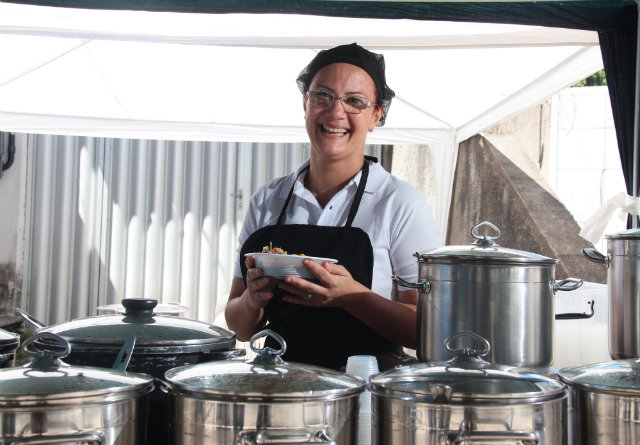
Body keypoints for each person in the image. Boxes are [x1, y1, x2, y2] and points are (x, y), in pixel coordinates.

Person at [225, 42, 443, 371]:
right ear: (305, 103)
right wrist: (253, 300)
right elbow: (238, 326)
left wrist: (352, 297)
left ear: (376, 114)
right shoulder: (269, 200)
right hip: (280, 388)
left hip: (367, 395)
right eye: (322, 96)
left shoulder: (401, 204)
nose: (336, 112)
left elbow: (428, 330)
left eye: (354, 101)